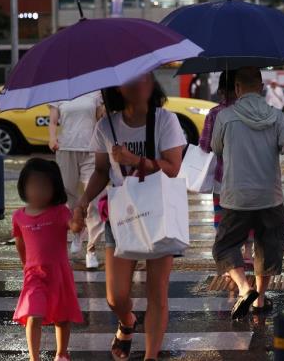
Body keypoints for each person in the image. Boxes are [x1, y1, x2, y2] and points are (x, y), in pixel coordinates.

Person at [70, 73, 186, 359]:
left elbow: (173, 167)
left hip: (159, 213)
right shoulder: (106, 126)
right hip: (122, 215)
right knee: (115, 297)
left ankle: (150, 355)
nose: (140, 84)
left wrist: (135, 161)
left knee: (157, 293)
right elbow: (100, 171)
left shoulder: (165, 120)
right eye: (132, 80)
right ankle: (127, 321)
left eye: (145, 78)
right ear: (117, 88)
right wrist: (83, 202)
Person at [211, 67, 284, 319]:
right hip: (269, 197)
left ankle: (244, 287)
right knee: (267, 248)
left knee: (225, 246)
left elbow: (215, 148)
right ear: (261, 87)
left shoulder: (225, 116)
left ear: (237, 89)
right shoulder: (276, 116)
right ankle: (260, 300)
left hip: (235, 198)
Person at [13, 158, 83, 361]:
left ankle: (61, 353)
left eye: (43, 186)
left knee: (62, 317)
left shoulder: (60, 212)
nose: (37, 191)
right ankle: (34, 357)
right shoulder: (19, 216)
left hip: (58, 274)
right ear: (23, 187)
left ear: (54, 189)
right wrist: (25, 264)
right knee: (33, 315)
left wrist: (79, 219)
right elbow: (20, 243)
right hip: (34, 275)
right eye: (32, 185)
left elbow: (74, 226)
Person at [199, 71, 253, 263]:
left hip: (223, 178)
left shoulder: (215, 113)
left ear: (221, 90)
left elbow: (205, 145)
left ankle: (230, 253)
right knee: (248, 214)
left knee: (223, 217)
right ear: (239, 89)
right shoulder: (251, 111)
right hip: (249, 176)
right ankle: (248, 252)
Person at [49, 91, 105, 269]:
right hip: (66, 149)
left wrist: (104, 109)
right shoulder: (58, 92)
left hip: (91, 149)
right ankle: (77, 230)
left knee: (93, 200)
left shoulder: (96, 91)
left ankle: (91, 250)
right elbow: (52, 121)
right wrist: (52, 138)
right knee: (69, 193)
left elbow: (100, 119)